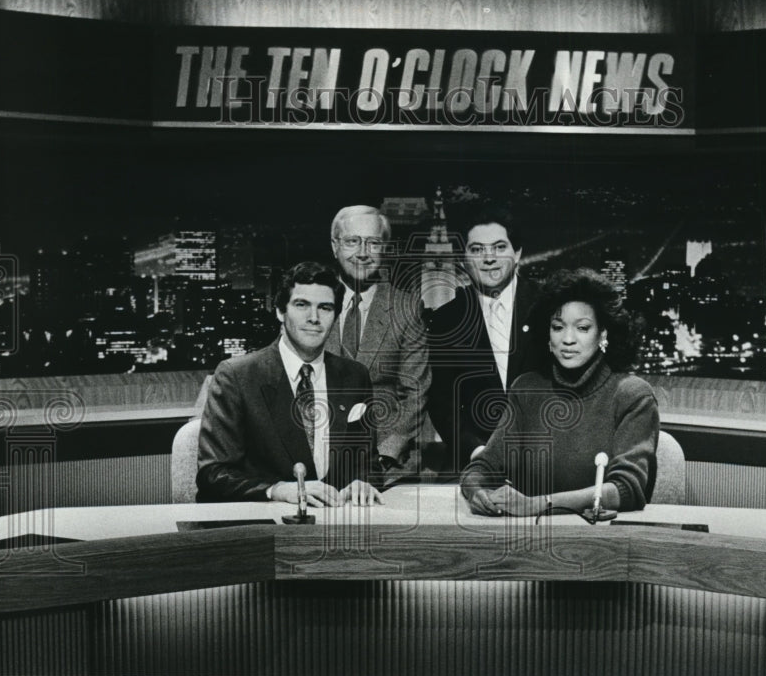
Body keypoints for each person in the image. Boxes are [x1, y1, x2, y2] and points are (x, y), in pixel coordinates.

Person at [460, 268, 658, 516]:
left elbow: (627, 489)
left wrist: (537, 505)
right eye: (558, 327)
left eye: (583, 328)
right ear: (547, 334)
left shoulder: (631, 395)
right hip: (529, 539)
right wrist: (477, 493)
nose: (568, 339)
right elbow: (482, 467)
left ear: (603, 334)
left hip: (599, 541)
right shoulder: (527, 388)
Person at [197, 261, 384, 506]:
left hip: (336, 525)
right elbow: (214, 474)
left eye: (325, 308)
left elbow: (367, 463)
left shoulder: (354, 376)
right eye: (302, 305)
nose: (314, 318)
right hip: (265, 527)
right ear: (280, 311)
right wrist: (276, 490)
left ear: (336, 316)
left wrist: (364, 481)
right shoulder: (237, 376)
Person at [426, 204, 540, 470]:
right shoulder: (446, 320)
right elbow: (442, 402)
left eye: (500, 247)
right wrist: (478, 452)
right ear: (464, 258)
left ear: (518, 252)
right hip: (474, 464)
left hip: (549, 461)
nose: (489, 258)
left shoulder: (547, 307)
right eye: (477, 250)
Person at [325, 205, 430, 478]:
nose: (362, 253)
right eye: (352, 242)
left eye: (373, 243)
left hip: (387, 466)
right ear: (335, 247)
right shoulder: (312, 305)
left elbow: (415, 393)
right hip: (318, 460)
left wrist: (385, 455)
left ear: (385, 249)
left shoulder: (406, 308)